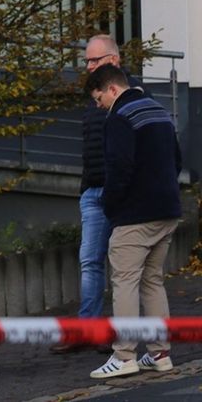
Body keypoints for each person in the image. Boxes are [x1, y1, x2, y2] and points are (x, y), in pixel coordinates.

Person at [86, 63, 183, 379]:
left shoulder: (119, 117)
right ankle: (159, 352)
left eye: (99, 98)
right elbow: (177, 159)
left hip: (135, 215)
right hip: (167, 210)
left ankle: (124, 355)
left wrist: (109, 205)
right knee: (152, 279)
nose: (98, 105)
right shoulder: (159, 110)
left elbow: (119, 167)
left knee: (124, 281)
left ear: (112, 89)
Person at [52, 34, 144, 355]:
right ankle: (88, 329)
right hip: (91, 190)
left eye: (95, 60)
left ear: (114, 60)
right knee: (90, 260)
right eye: (87, 61)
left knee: (124, 265)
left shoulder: (131, 95)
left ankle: (122, 334)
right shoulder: (92, 96)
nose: (88, 66)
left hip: (121, 192)